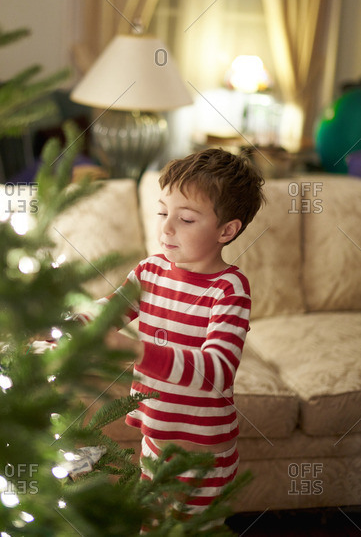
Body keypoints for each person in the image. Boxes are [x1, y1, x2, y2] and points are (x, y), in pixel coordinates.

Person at [80, 147, 265, 525]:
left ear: (227, 230)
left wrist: (136, 349)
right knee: (152, 524)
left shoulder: (229, 289)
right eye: (163, 212)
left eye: (185, 219)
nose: (165, 228)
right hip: (155, 438)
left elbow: (215, 371)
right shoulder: (150, 271)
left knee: (190, 530)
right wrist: (66, 326)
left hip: (202, 454)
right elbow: (108, 310)